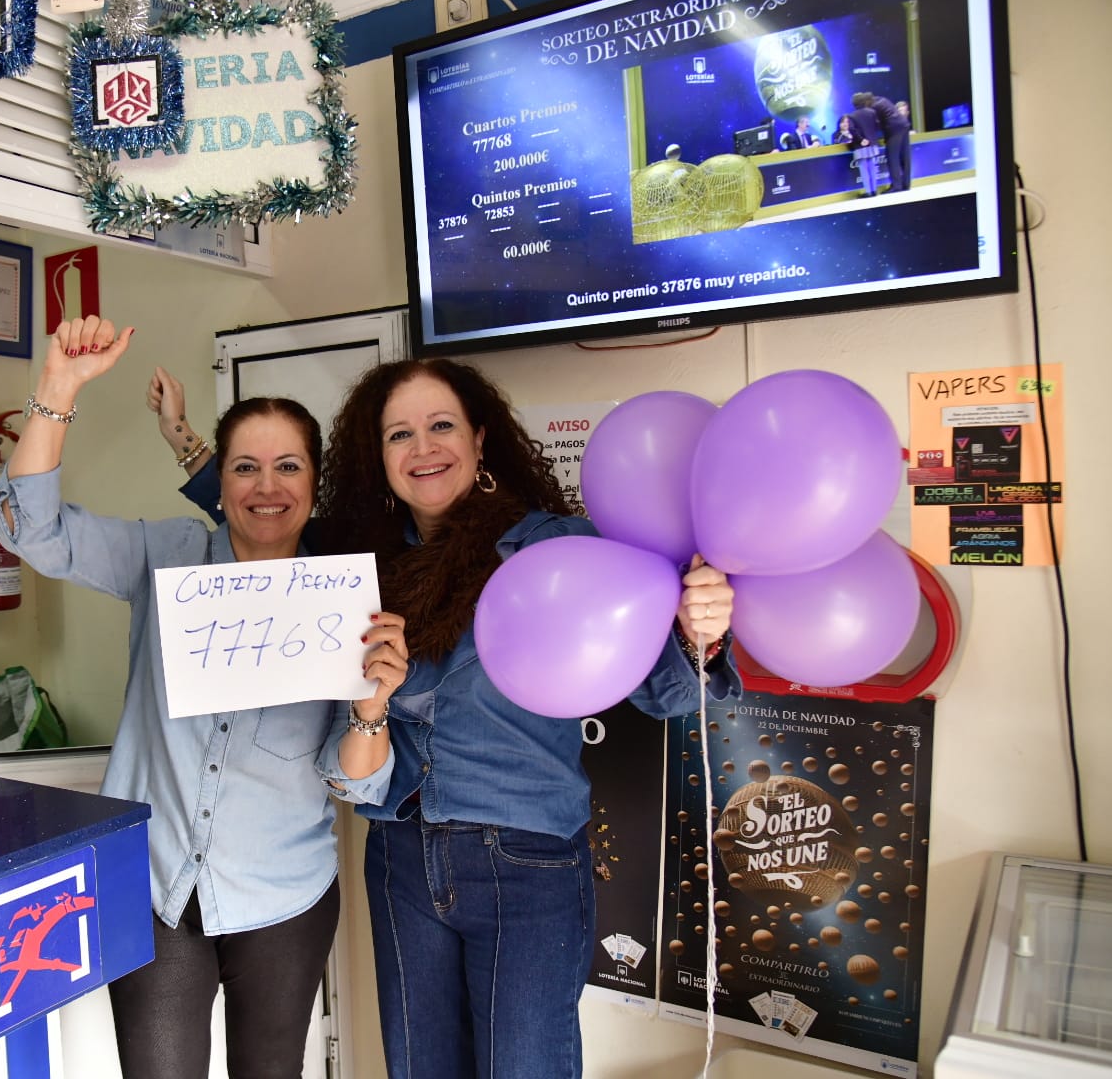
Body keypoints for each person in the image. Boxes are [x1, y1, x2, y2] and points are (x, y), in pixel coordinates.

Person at [172, 359, 739, 1079]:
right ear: (378, 460)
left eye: (441, 426)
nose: (423, 447)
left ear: (478, 438)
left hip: (526, 860)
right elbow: (262, 519)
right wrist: (193, 449)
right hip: (402, 860)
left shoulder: (553, 548)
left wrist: (701, 633)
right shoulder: (358, 565)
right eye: (398, 434)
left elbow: (666, 692)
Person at [0, 315, 408, 1079]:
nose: (267, 487)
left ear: (315, 482)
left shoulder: (343, 599)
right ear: (224, 483)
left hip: (283, 896)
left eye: (288, 467)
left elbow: (357, 781)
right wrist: (58, 389)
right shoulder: (168, 557)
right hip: (156, 885)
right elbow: (30, 529)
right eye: (245, 468)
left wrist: (372, 701)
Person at [853, 90, 912, 192]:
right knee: (905, 156)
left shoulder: (873, 107)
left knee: (892, 157)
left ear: (866, 101)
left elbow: (875, 123)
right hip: (904, 125)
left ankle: (896, 186)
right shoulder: (882, 99)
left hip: (894, 129)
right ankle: (906, 184)